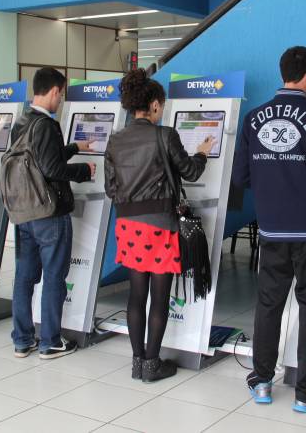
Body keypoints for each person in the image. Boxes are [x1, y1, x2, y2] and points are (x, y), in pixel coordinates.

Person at [231, 46, 306, 413]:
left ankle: (262, 380)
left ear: (283, 74)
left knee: (269, 303)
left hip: (272, 227)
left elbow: (240, 176)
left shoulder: (253, 118)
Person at [104, 69, 213, 383]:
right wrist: (203, 154)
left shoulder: (115, 140)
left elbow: (111, 188)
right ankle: (153, 363)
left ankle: (138, 361)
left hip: (127, 225)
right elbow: (190, 171)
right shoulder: (165, 135)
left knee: (136, 295)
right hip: (160, 225)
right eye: (161, 105)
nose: (161, 110)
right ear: (153, 105)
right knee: (159, 297)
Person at [10, 67, 95, 359]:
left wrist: (72, 147)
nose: (61, 101)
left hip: (23, 211)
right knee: (54, 277)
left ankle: (22, 340)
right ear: (56, 91)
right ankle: (50, 341)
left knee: (24, 277)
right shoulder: (46, 125)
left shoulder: (22, 121)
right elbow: (50, 169)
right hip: (49, 212)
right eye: (62, 94)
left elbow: (37, 160)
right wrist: (85, 169)